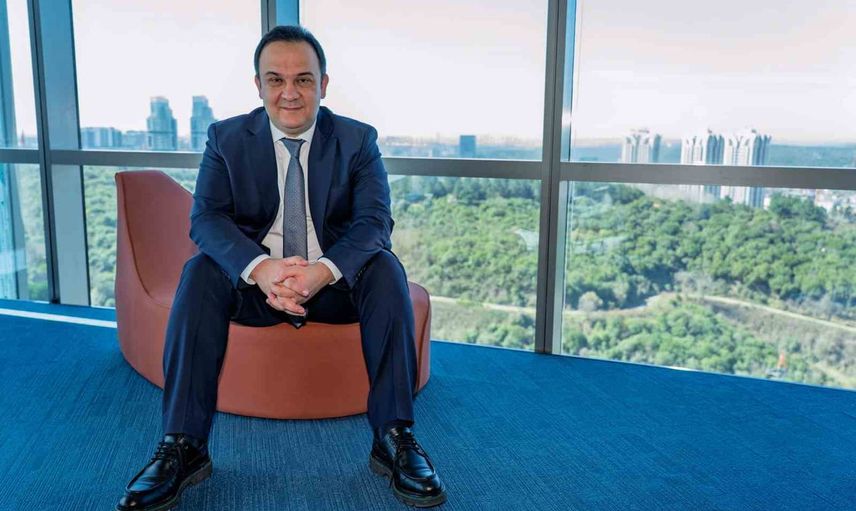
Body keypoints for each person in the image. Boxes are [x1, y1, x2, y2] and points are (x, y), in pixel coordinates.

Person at [116, 25, 446, 510]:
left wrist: (321, 271)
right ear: (258, 85)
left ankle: (394, 436)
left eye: (303, 80)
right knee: (200, 273)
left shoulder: (357, 140)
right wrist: (262, 269)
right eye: (275, 79)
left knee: (385, 269)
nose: (289, 93)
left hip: (332, 285)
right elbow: (206, 219)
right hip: (256, 286)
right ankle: (183, 445)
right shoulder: (226, 138)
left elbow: (374, 222)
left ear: (323, 84)